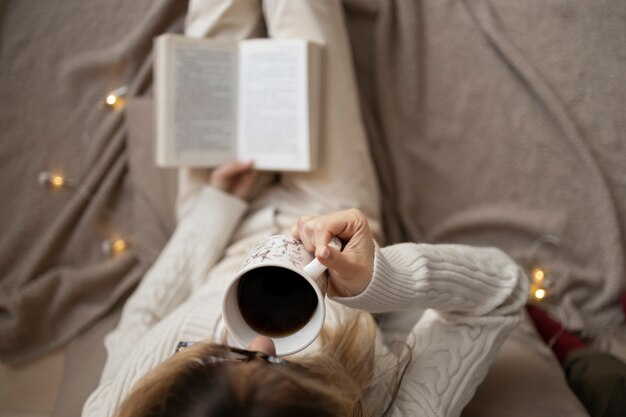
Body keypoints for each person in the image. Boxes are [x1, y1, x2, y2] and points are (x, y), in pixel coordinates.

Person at [82, 1, 528, 416]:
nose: (264, 342)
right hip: (330, 224)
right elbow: (501, 293)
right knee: (304, 14)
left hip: (219, 233)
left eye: (219, 358)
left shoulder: (123, 406)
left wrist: (217, 205)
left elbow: (139, 319)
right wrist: (378, 281)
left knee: (212, 30)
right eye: (285, 369)